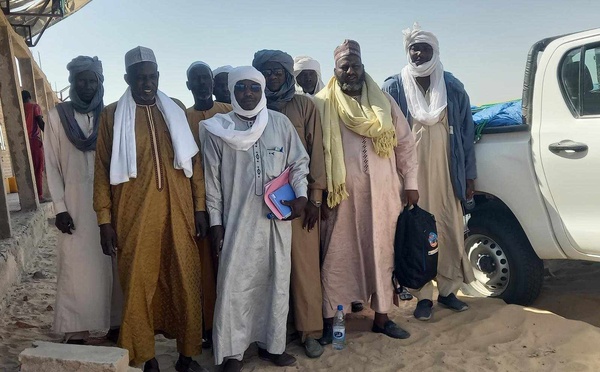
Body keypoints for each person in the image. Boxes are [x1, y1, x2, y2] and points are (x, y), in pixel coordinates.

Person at [93, 46, 208, 372]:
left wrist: (200, 207)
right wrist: (104, 219)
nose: (148, 82)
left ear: (159, 76)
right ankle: (147, 358)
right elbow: (101, 170)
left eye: (153, 76)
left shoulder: (176, 109)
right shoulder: (112, 116)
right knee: (138, 286)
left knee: (184, 282)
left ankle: (187, 356)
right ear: (128, 78)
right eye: (140, 77)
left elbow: (194, 163)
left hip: (180, 212)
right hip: (133, 217)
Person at [202, 66, 310, 372]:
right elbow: (211, 181)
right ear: (232, 90)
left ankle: (271, 346)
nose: (247, 94)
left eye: (253, 88)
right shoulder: (217, 129)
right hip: (237, 220)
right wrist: (215, 222)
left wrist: (301, 196)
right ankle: (232, 353)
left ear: (262, 91)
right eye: (240, 88)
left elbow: (299, 162)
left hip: (276, 220)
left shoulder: (280, 123)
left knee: (275, 281)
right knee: (235, 284)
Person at [313, 40, 419, 342]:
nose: (350, 71)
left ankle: (383, 318)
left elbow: (405, 143)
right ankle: (335, 320)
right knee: (337, 256)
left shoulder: (384, 102)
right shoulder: (322, 104)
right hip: (340, 200)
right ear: (335, 70)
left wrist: (410, 184)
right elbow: (313, 155)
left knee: (382, 254)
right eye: (344, 66)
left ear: (363, 68)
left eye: (355, 66)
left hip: (384, 197)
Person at [382, 23, 477, 321]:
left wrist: (469, 176)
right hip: (412, 178)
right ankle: (423, 296)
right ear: (407, 52)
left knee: (448, 229)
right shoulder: (394, 87)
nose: (419, 54)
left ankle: (448, 291)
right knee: (417, 234)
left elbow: (466, 133)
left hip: (448, 174)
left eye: (425, 49)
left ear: (435, 52)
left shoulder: (453, 87)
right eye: (414, 49)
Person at [252, 50, 326, 358]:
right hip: (260, 205)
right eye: (266, 72)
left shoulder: (303, 105)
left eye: (277, 71)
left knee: (304, 268)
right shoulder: (250, 107)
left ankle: (310, 331)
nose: (272, 77)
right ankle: (272, 335)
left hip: (299, 203)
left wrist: (315, 198)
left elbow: (316, 153)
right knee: (267, 270)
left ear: (287, 74)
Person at [44, 56, 122, 345]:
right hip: (75, 206)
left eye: (93, 81)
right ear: (72, 82)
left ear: (100, 83)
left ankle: (115, 323)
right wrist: (60, 208)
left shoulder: (112, 115)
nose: (87, 86)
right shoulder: (56, 116)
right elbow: (51, 164)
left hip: (108, 206)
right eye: (82, 80)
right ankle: (75, 328)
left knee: (111, 264)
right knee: (76, 265)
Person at [185, 60, 232, 349]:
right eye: (197, 80)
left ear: (213, 83)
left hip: (230, 201)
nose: (203, 83)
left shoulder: (227, 113)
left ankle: (231, 327)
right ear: (189, 84)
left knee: (229, 264)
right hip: (196, 206)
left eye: (207, 78)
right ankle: (208, 329)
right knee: (204, 269)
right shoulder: (182, 118)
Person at [21, 90, 46, 201]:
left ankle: (29, 197)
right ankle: (39, 196)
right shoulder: (34, 107)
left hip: (22, 143)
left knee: (27, 170)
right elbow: (40, 123)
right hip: (34, 141)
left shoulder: (19, 109)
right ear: (29, 97)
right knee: (38, 168)